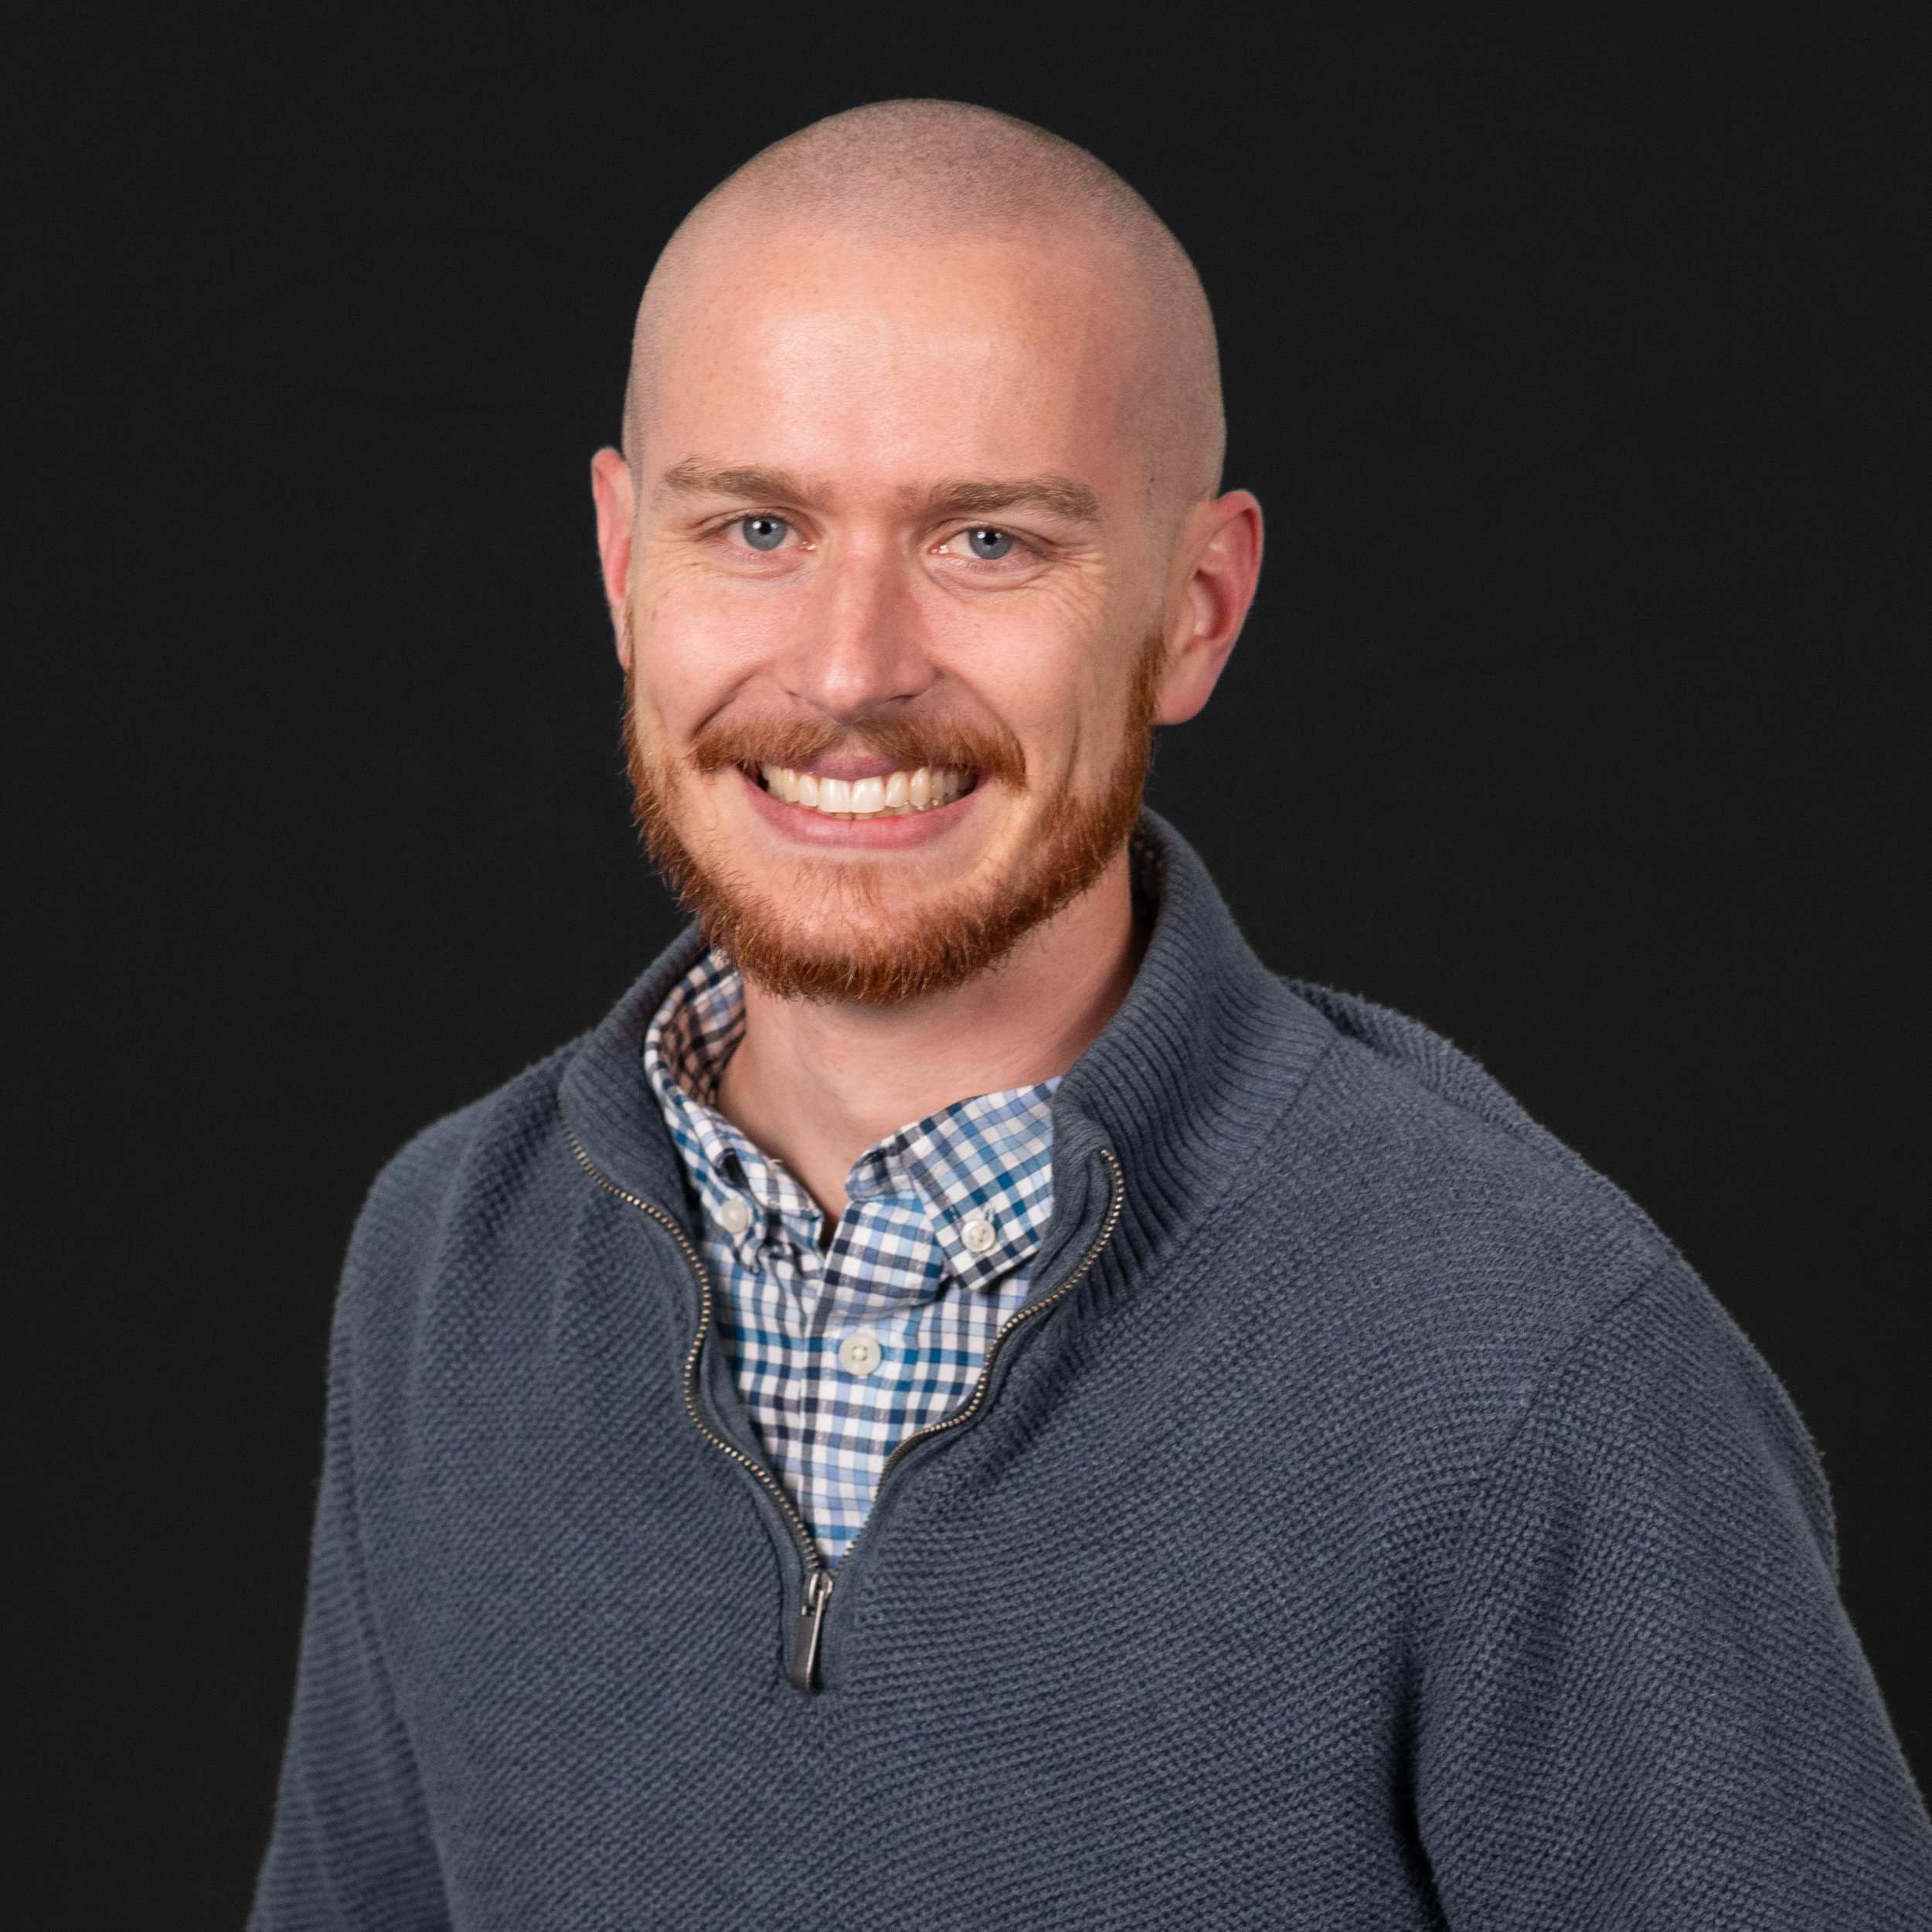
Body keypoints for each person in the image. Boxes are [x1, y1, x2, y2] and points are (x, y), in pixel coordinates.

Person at [252, 100, 1931, 1930]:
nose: (845, 670)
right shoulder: (449, 1260)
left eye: (984, 540)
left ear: (1193, 610)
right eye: (755, 524)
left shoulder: (1526, 1363)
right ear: (619, 561)